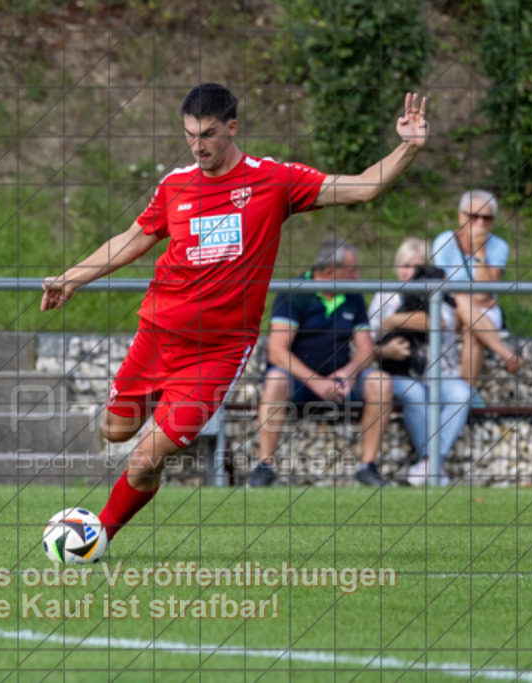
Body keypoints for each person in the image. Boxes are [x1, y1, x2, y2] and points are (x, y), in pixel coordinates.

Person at [41, 84, 429, 540]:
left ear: (232, 127)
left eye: (207, 134)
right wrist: (72, 277)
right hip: (157, 336)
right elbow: (131, 239)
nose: (198, 145)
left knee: (145, 459)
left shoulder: (274, 180)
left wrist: (408, 146)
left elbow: (362, 188)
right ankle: (153, 436)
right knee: (114, 431)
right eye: (189, 135)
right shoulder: (175, 185)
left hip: (217, 353)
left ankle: (98, 535)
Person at [250, 239, 394, 487]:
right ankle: (265, 466)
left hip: (340, 384)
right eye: (352, 271)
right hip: (298, 383)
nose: (358, 277)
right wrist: (317, 383)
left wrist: (348, 373)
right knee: (275, 379)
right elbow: (277, 351)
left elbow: (366, 349)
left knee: (381, 382)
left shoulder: (353, 297)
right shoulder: (294, 292)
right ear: (329, 272)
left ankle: (367, 466)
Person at [369, 238, 473, 486]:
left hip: (441, 373)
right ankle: (433, 466)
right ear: (397, 267)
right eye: (406, 266)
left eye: (417, 267)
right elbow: (369, 341)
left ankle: (428, 464)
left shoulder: (439, 292)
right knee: (415, 394)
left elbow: (437, 322)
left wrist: (393, 322)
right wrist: (385, 350)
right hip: (401, 374)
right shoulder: (385, 295)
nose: (411, 273)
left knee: (461, 394)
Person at [432, 190, 524, 399]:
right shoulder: (444, 242)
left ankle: (466, 396)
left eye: (487, 218)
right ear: (461, 216)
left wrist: (480, 251)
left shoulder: (499, 246)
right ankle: (505, 354)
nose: (480, 223)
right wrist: (475, 297)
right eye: (474, 216)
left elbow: (484, 291)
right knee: (461, 299)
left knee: (472, 332)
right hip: (453, 309)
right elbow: (447, 291)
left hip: (480, 313)